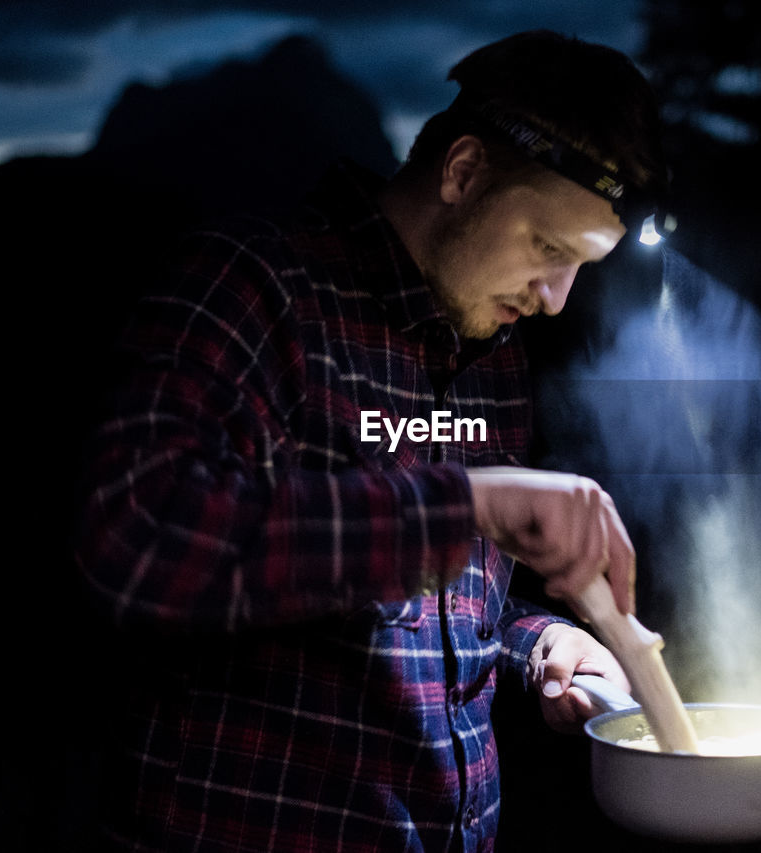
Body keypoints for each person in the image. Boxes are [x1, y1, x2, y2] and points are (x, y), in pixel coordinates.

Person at [73, 29, 668, 852]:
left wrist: (543, 641)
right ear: (463, 172)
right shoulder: (257, 287)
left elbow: (435, 613)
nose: (556, 298)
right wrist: (463, 503)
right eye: (548, 248)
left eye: (582, 267)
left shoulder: (493, 360)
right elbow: (131, 536)